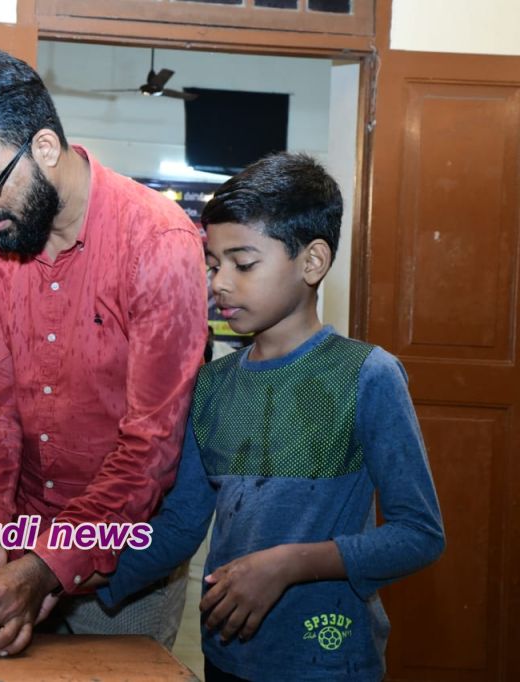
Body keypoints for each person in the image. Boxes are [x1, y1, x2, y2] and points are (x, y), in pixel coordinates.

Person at [98, 153, 445, 681]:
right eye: (213, 264)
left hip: (327, 661)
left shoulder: (366, 375)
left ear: (312, 262)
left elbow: (418, 535)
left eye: (243, 264)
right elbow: (179, 527)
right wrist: (59, 575)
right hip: (227, 655)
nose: (219, 283)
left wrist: (288, 565)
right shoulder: (211, 385)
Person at [0, 48, 208, 655]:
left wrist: (49, 566)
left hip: (125, 562)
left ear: (45, 148)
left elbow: (150, 444)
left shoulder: (158, 242)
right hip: (16, 546)